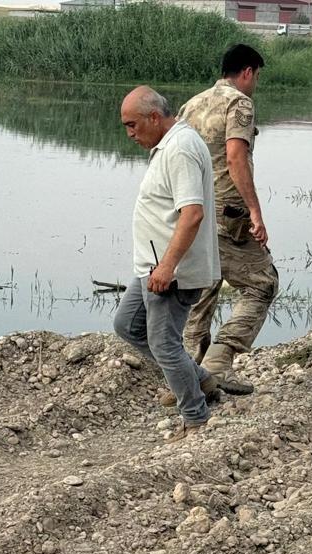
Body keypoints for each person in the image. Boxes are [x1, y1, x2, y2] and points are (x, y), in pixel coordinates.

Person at [113, 86, 221, 443]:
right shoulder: (168, 145)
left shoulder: (180, 149)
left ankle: (195, 417)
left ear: (154, 117)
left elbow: (192, 214)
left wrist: (168, 267)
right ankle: (200, 379)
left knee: (164, 343)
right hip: (152, 266)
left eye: (133, 125)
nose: (130, 134)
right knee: (128, 325)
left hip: (170, 273)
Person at [176, 44, 279, 397]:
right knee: (262, 283)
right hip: (228, 213)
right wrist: (255, 211)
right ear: (247, 72)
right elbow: (236, 157)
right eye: (257, 76)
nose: (256, 84)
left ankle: (186, 378)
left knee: (201, 290)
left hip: (191, 210)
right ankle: (219, 361)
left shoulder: (192, 104)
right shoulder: (239, 104)